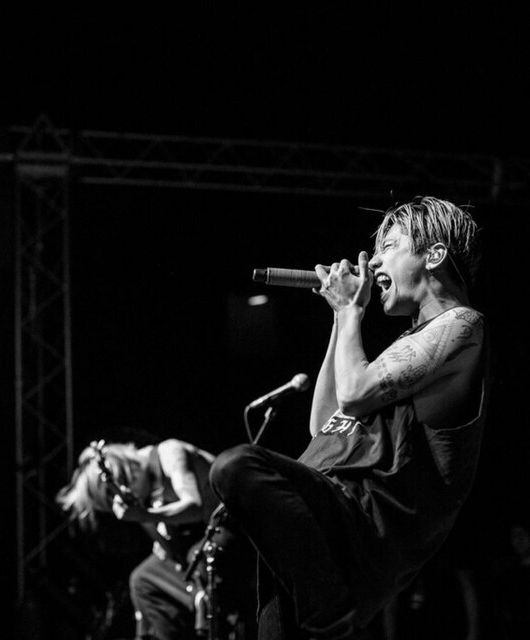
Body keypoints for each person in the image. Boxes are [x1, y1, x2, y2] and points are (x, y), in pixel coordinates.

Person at [209, 196, 491, 639]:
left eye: (390, 247)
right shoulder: (404, 347)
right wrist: (340, 321)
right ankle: (328, 616)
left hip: (359, 523)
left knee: (236, 465)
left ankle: (333, 618)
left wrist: (349, 311)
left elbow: (355, 394)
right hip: (316, 522)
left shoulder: (463, 325)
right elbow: (324, 425)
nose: (373, 262)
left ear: (435, 255)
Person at [56, 437, 255, 640]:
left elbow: (195, 505)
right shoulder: (147, 493)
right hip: (204, 539)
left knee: (199, 558)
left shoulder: (169, 452)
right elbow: (172, 551)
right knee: (143, 579)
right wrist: (144, 519)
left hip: (237, 524)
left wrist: (144, 515)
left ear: (127, 471)